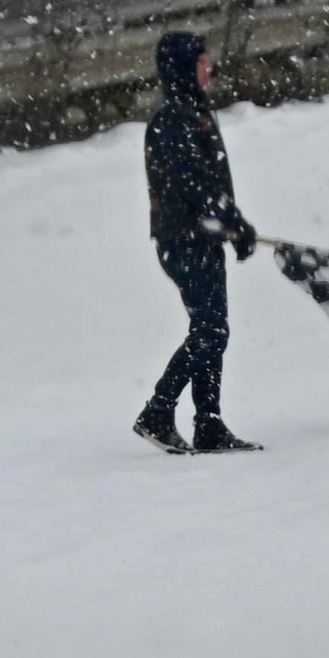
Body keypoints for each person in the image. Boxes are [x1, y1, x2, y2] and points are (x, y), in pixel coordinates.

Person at [136, 30, 260, 455]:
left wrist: (230, 226)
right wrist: (233, 220)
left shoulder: (192, 110)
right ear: (183, 67)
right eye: (203, 59)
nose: (211, 66)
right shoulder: (175, 117)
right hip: (184, 240)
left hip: (202, 238)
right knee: (210, 331)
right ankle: (158, 410)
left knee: (212, 330)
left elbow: (206, 184)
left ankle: (209, 423)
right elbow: (194, 183)